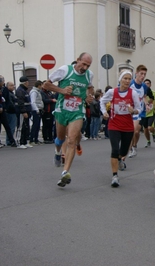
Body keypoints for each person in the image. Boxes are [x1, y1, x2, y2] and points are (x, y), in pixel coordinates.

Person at [43, 52, 94, 187]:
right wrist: (62, 90)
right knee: (60, 138)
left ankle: (65, 173)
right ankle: (57, 151)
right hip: (62, 110)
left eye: (88, 65)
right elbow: (45, 85)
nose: (85, 68)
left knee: (71, 139)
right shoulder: (65, 70)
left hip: (77, 111)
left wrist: (90, 97)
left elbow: (90, 88)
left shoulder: (89, 75)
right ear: (77, 60)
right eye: (83, 64)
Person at [100, 70, 142, 187]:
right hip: (114, 124)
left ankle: (120, 159)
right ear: (120, 80)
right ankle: (115, 176)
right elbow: (102, 102)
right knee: (114, 150)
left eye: (129, 79)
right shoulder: (112, 92)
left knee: (123, 152)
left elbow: (139, 108)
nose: (127, 81)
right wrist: (104, 112)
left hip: (128, 126)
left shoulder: (133, 93)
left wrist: (133, 111)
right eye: (125, 78)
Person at [127, 65, 154, 158]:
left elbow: (144, 97)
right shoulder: (130, 84)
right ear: (136, 73)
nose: (143, 76)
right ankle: (130, 148)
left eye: (144, 74)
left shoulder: (144, 87)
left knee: (136, 131)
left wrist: (147, 105)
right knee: (131, 131)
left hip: (139, 111)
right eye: (141, 74)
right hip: (129, 111)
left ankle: (134, 146)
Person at [15, 76, 33, 149]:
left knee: (26, 127)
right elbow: (20, 102)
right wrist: (23, 111)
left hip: (27, 111)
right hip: (22, 112)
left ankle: (25, 142)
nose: (28, 83)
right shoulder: (20, 90)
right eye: (28, 82)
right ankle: (19, 142)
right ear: (25, 82)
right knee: (21, 127)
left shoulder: (24, 90)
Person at [0, 77, 17, 147]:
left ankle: (11, 141)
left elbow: (6, 99)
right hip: (0, 109)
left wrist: (4, 107)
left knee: (7, 126)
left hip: (4, 110)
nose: (3, 82)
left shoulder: (4, 89)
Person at [141, 79, 155, 148]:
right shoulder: (141, 93)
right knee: (145, 129)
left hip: (151, 112)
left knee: (149, 127)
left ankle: (153, 133)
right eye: (145, 84)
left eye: (148, 83)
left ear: (150, 85)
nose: (146, 85)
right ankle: (148, 141)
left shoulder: (154, 93)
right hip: (144, 113)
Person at [29, 80, 44, 145]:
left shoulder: (38, 91)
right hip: (36, 110)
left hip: (39, 109)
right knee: (35, 125)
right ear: (39, 85)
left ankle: (36, 139)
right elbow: (33, 102)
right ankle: (32, 139)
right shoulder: (34, 92)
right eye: (41, 85)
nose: (42, 86)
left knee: (37, 125)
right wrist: (36, 109)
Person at [5, 81, 18, 146]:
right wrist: (15, 108)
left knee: (11, 127)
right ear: (8, 86)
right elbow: (10, 103)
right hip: (11, 112)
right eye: (11, 85)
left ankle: (9, 140)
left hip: (11, 111)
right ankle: (9, 140)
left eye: (13, 85)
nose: (13, 87)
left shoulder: (11, 93)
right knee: (11, 127)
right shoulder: (9, 93)